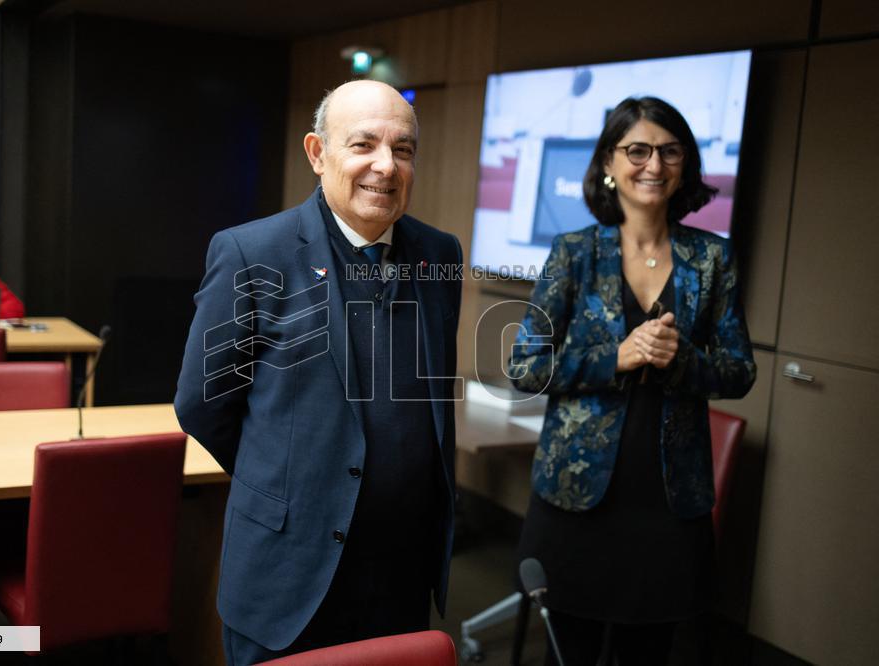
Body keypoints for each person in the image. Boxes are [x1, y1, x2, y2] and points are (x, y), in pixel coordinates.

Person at [175, 80, 463, 665]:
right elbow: (203, 403)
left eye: (403, 150)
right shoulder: (252, 253)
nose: (386, 166)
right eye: (363, 145)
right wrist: (283, 480)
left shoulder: (441, 255)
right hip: (288, 570)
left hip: (401, 571)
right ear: (317, 152)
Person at [509, 96, 756, 666]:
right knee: (566, 652)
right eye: (637, 150)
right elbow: (525, 366)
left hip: (668, 503)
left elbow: (740, 371)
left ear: (686, 165)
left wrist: (681, 358)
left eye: (670, 152)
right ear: (609, 162)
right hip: (576, 496)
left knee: (647, 654)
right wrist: (614, 357)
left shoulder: (711, 258)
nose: (654, 165)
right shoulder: (574, 253)